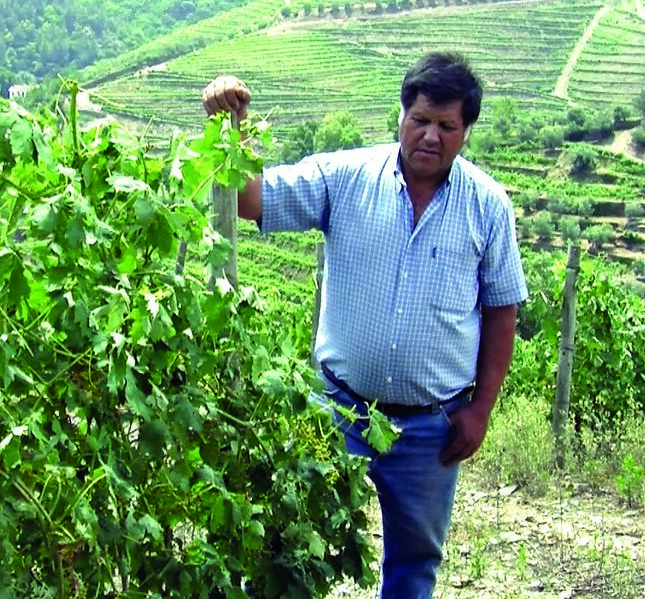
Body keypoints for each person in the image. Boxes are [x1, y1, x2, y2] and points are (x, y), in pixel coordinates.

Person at [200, 52, 528, 599]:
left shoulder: (489, 206)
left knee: (414, 563)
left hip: (432, 428)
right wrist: (228, 126)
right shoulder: (345, 178)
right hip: (339, 412)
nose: (430, 136)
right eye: (420, 119)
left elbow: (501, 311)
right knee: (299, 547)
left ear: (466, 131)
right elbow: (252, 200)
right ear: (399, 114)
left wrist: (481, 410)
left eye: (446, 126)